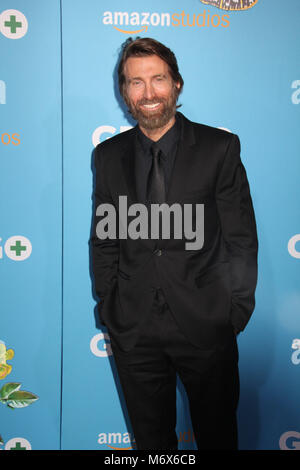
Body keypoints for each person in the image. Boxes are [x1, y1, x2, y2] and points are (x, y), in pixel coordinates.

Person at [91, 37, 258, 450]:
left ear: (176, 84)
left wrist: (233, 312)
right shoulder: (108, 156)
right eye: (135, 82)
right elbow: (104, 238)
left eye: (158, 79)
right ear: (124, 91)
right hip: (133, 327)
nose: (148, 93)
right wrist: (109, 304)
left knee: (218, 437)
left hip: (206, 323)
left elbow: (240, 237)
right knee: (152, 445)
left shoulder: (219, 149)